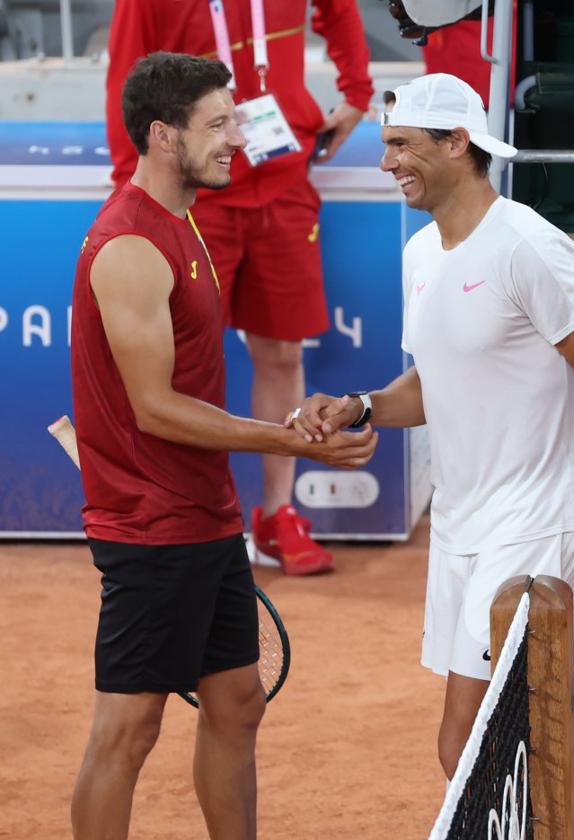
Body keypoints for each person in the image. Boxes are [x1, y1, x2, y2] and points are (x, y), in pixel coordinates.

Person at [287, 73, 574, 779]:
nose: (386, 163)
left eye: (400, 145)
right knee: (494, 758)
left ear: (458, 144)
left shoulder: (528, 248)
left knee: (472, 749)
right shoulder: (421, 254)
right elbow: (433, 383)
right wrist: (361, 405)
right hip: (458, 535)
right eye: (385, 146)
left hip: (531, 531)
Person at [70, 52, 377, 840]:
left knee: (235, 703)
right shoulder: (130, 246)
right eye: (219, 123)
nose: (238, 136)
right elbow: (156, 409)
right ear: (164, 135)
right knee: (128, 730)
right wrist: (287, 442)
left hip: (203, 515)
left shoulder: (184, 222)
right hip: (151, 528)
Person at [105, 0, 374, 576]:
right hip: (195, 190)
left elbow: (339, 8)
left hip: (282, 180)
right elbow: (128, 78)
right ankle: (181, 513)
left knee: (281, 351)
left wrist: (357, 91)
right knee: (178, 365)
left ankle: (278, 516)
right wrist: (133, 192)